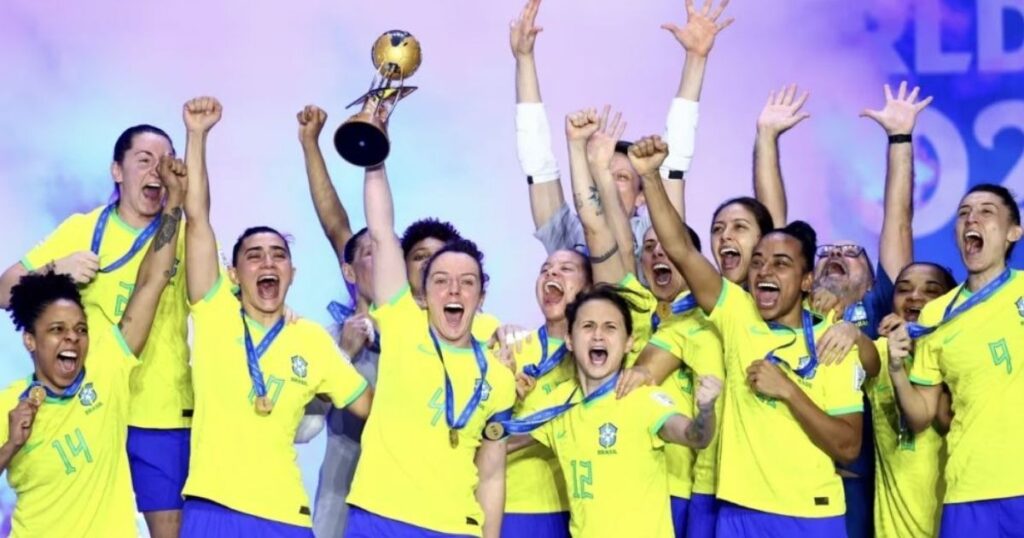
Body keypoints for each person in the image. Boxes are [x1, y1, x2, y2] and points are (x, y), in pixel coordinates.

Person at [633, 134, 866, 537]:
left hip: (811, 516)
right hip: (737, 513)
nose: (764, 271)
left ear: (807, 280)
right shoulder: (736, 314)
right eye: (758, 262)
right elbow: (681, 250)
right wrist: (652, 176)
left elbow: (848, 447)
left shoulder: (834, 340)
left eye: (780, 264)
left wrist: (788, 390)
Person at [177, 97, 372, 537]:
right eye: (254, 255)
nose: (268, 262)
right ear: (233, 273)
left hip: (285, 517)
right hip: (212, 509)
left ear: (292, 272)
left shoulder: (313, 340)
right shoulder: (214, 311)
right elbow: (197, 218)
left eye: (278, 255)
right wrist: (197, 136)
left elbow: (373, 410)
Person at [755, 81, 932, 538]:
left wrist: (900, 138)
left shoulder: (880, 305)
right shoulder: (795, 307)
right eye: (826, 252)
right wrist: (767, 138)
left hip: (865, 483)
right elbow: (773, 238)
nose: (836, 254)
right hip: (793, 479)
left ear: (873, 280)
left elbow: (898, 223)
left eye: (852, 252)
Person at [0, 121, 193, 537]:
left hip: (158, 412)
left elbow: (208, 295)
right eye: (144, 160)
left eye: (165, 162)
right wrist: (55, 268)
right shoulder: (82, 229)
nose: (156, 171)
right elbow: (4, 290)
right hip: (86, 406)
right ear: (117, 170)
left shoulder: (182, 232)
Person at [343, 144, 515, 537]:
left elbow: (492, 475)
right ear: (425, 291)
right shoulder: (402, 322)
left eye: (466, 282)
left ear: (480, 298)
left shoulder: (499, 377)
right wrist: (374, 155)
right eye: (441, 280)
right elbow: (381, 233)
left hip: (454, 526)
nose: (453, 290)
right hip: (378, 518)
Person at [511, 0, 731, 271]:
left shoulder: (653, 234)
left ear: (642, 197)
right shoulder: (570, 235)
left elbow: (674, 167)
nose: (608, 182)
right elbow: (539, 166)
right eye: (602, 174)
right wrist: (524, 59)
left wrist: (696, 60)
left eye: (622, 177)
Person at [507, 285, 722, 538]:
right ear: (569, 340)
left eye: (610, 327)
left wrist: (706, 411)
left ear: (629, 342)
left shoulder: (643, 398)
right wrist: (504, 394)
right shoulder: (558, 403)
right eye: (588, 326)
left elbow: (696, 436)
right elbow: (500, 443)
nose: (598, 335)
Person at [888, 183, 1024, 537]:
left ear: (1013, 232)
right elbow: (921, 415)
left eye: (986, 211)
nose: (971, 219)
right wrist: (897, 370)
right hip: (968, 490)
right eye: (963, 213)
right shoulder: (936, 314)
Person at [501, 248, 591, 538]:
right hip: (511, 505)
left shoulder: (594, 357)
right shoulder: (510, 348)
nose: (551, 272)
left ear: (588, 288)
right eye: (545, 269)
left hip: (571, 507)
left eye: (566, 269)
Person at [866, 263, 956, 537]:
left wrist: (923, 341)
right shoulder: (879, 353)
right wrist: (845, 328)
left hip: (957, 524)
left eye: (931, 291)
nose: (915, 296)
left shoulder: (959, 355)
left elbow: (945, 418)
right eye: (904, 290)